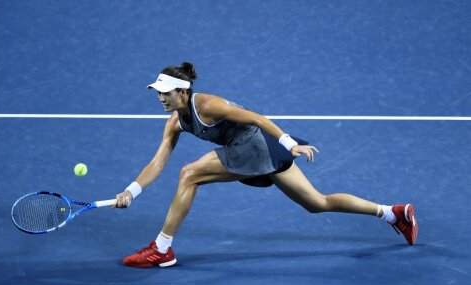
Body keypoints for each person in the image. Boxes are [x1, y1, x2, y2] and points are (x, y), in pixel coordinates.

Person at [114, 62, 418, 268]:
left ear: (183, 91)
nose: (161, 98)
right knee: (317, 203)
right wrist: (131, 191)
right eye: (158, 93)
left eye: (166, 93)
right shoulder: (174, 123)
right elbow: (157, 162)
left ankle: (162, 248)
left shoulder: (206, 105)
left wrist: (290, 144)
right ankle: (392, 213)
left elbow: (257, 118)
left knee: (189, 174)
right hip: (259, 149)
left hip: (256, 145)